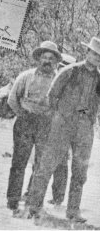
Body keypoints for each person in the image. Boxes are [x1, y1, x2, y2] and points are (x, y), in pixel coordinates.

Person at [26, 37, 100, 223]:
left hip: (84, 129)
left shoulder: (99, 78)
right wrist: (57, 118)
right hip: (62, 126)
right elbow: (52, 96)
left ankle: (73, 211)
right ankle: (34, 207)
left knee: (80, 171)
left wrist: (89, 119)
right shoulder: (70, 71)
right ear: (87, 53)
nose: (97, 57)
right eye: (94, 53)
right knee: (47, 165)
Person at [6, 40, 61, 214]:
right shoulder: (26, 76)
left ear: (55, 62)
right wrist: (22, 115)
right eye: (44, 57)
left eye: (51, 58)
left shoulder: (59, 80)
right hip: (25, 121)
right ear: (38, 58)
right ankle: (13, 199)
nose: (47, 61)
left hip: (46, 125)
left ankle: (33, 200)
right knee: (19, 162)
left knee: (40, 165)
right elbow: (12, 99)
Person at [23, 52, 77, 206]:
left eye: (66, 67)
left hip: (64, 129)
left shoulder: (74, 87)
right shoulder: (50, 80)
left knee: (61, 164)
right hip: (46, 127)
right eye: (61, 67)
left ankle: (58, 198)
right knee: (39, 161)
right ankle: (31, 192)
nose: (62, 70)